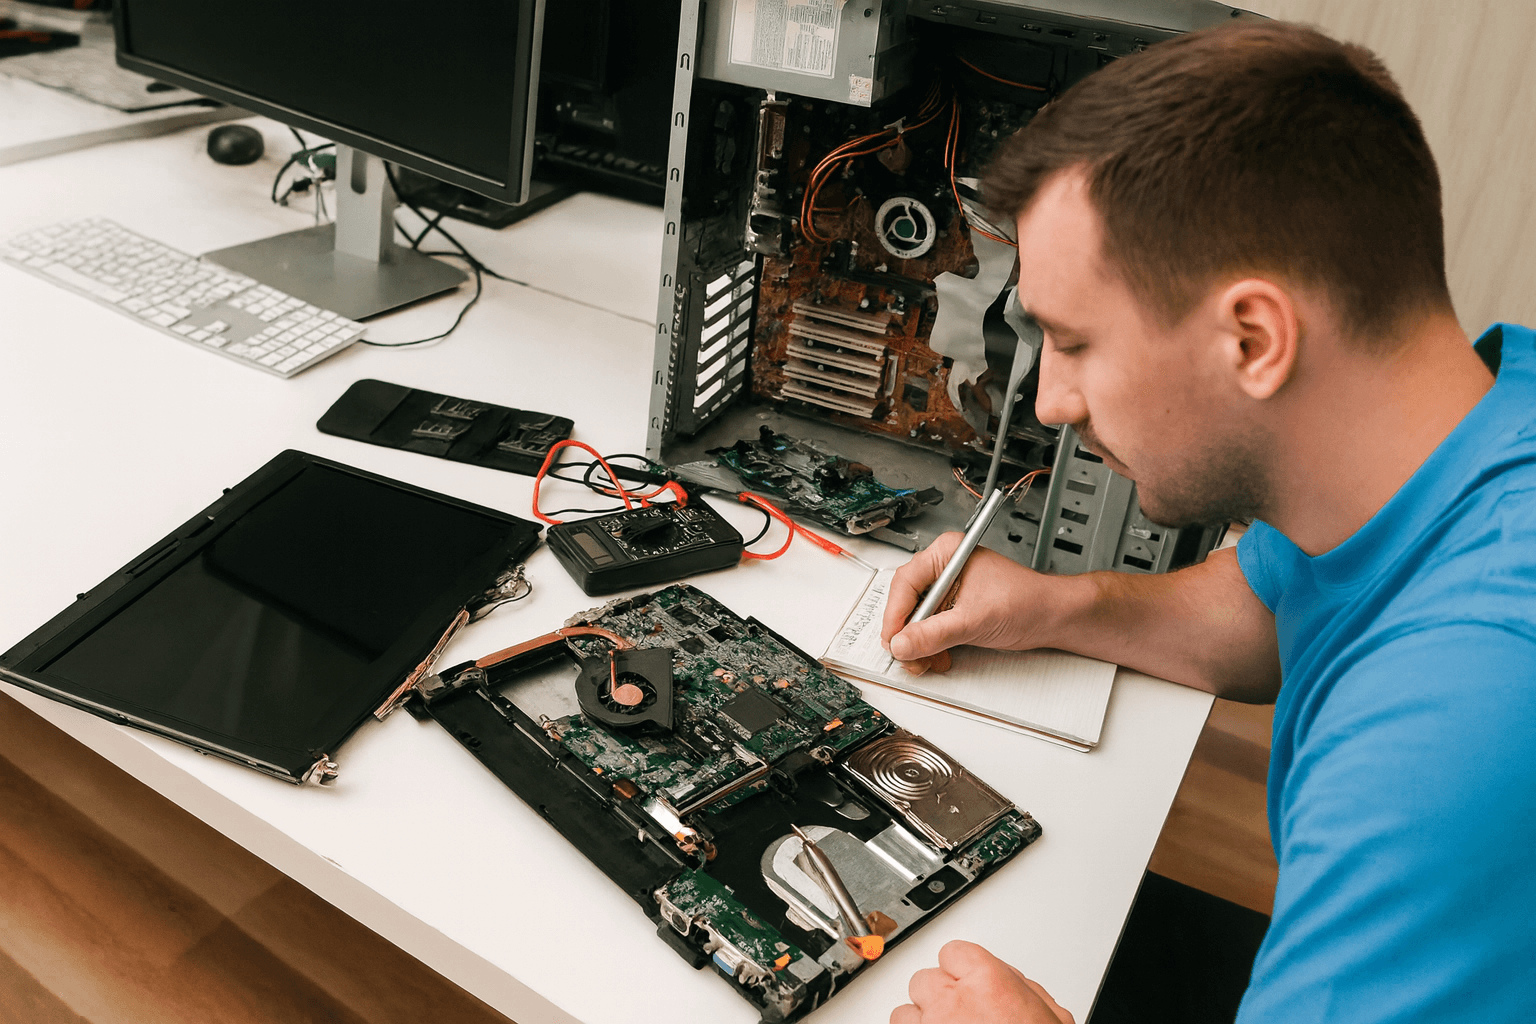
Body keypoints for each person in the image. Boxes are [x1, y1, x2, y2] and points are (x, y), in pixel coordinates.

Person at [882, 20, 1536, 1024]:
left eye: (1074, 339)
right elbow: (1280, 601)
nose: (1050, 400)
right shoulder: (1483, 412)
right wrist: (1057, 605)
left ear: (1254, 337)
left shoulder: (1446, 729)